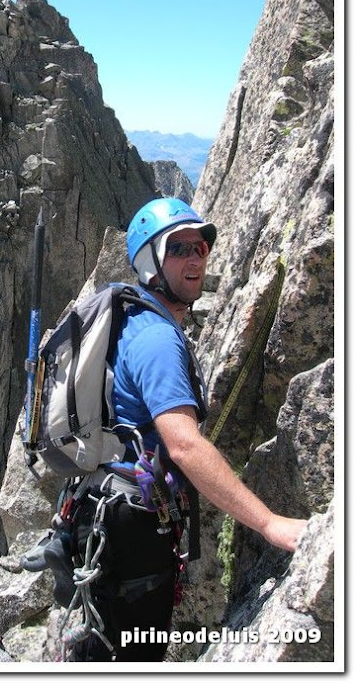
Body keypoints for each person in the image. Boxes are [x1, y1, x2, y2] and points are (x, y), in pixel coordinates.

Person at [69, 197, 308, 662]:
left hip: (109, 512)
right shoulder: (157, 338)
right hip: (134, 530)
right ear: (150, 263)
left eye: (201, 245)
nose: (196, 256)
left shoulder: (136, 320)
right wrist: (269, 524)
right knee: (136, 656)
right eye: (178, 248)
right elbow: (185, 446)